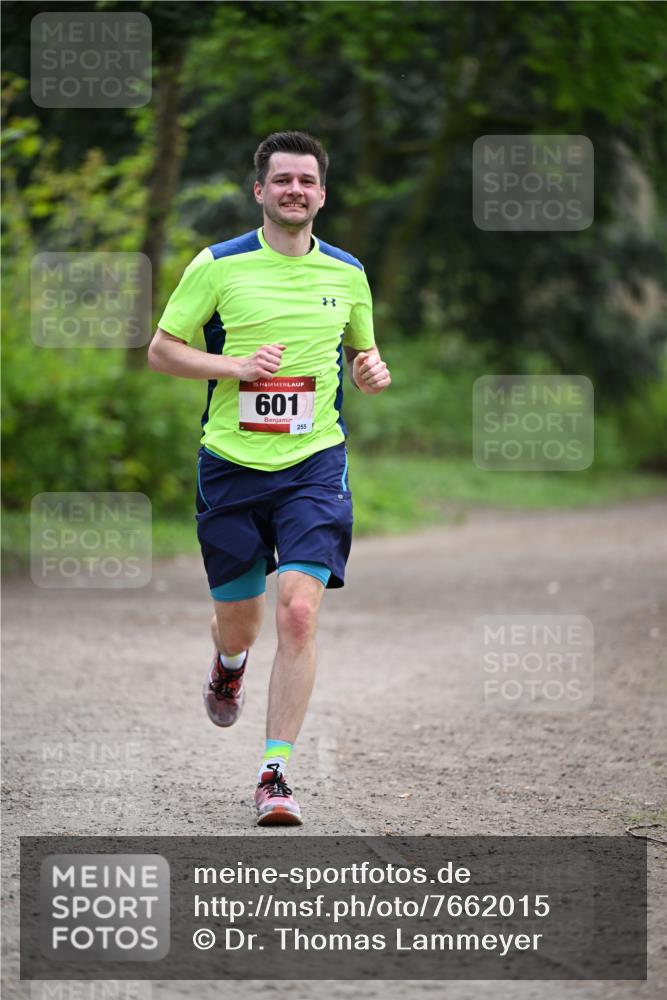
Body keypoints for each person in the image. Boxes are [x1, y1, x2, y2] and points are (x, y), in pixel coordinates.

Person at [148, 130, 391, 826]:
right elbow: (162, 351)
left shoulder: (347, 272)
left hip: (314, 463)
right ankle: (228, 663)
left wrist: (370, 372)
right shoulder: (217, 266)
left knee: (298, 611)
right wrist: (235, 367)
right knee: (243, 622)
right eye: (281, 180)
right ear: (260, 190)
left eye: (306, 181)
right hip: (229, 465)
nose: (294, 190)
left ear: (321, 192)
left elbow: (363, 356)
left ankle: (274, 774)